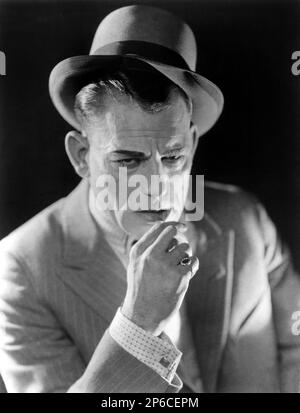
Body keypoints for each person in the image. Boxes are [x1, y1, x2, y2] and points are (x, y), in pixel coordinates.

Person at [0, 4, 300, 393]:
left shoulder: (244, 219)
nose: (157, 184)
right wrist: (138, 323)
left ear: (192, 144)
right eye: (127, 160)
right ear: (80, 156)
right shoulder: (18, 270)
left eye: (173, 157)